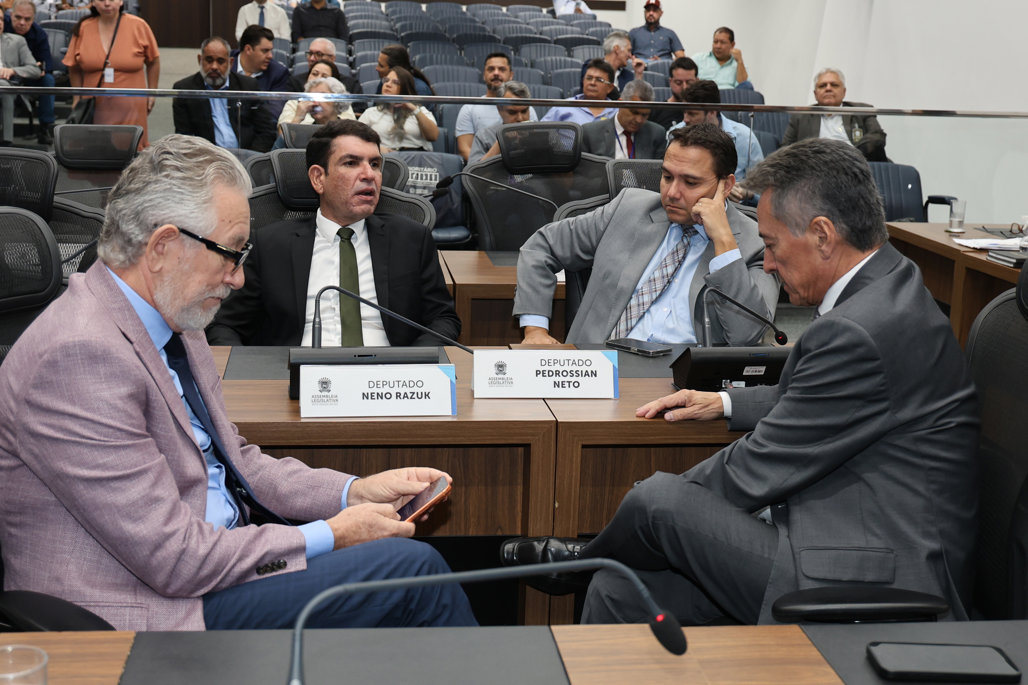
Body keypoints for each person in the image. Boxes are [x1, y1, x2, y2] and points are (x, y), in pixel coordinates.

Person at [0, 133, 477, 631]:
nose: (238, 278)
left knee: (399, 569)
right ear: (163, 247)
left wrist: (352, 493)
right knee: (409, 570)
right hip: (151, 607)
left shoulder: (175, 319)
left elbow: (237, 461)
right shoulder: (80, 356)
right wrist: (333, 534)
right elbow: (176, 560)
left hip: (217, 559)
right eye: (229, 252)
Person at [502, 137, 979, 627]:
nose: (767, 263)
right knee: (619, 589)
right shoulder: (887, 284)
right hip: (840, 526)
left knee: (657, 501)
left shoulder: (860, 328)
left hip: (873, 570)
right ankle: (597, 566)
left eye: (771, 246)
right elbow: (822, 397)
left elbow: (757, 466)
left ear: (822, 234)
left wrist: (659, 506)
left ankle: (587, 558)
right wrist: (727, 403)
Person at [513, 123, 777, 346]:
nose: (672, 193)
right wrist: (535, 329)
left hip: (683, 381)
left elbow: (747, 337)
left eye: (690, 182)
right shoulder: (628, 209)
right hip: (596, 366)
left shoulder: (757, 244)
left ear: (726, 185)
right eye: (667, 177)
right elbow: (542, 245)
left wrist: (724, 241)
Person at [207, 119, 459, 347]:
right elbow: (225, 325)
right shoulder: (269, 245)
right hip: (296, 373)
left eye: (375, 164)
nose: (369, 175)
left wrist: (413, 365)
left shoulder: (411, 239)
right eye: (351, 163)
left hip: (387, 375)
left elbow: (443, 318)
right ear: (318, 178)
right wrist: (251, 375)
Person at [63, 0, 159, 148]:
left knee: (132, 147)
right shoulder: (84, 27)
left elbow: (153, 61)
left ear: (121, 2)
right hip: (94, 105)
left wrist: (152, 93)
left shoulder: (138, 25)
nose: (107, 3)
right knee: (95, 148)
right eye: (101, 0)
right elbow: (73, 67)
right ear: (93, 3)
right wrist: (77, 97)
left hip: (131, 105)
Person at [172, 36, 275, 153]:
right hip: (206, 158)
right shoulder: (185, 90)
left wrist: (251, 158)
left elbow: (266, 131)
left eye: (220, 61)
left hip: (245, 156)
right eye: (209, 60)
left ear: (230, 63)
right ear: (200, 60)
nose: (214, 67)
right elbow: (184, 138)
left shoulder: (248, 86)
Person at [782, 67, 888, 162]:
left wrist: (853, 154)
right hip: (816, 168)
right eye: (822, 86)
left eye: (834, 85)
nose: (828, 88)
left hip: (857, 165)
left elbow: (877, 136)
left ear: (844, 92)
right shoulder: (801, 116)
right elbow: (785, 149)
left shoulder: (861, 110)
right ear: (815, 94)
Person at [669, 79, 763, 182]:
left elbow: (759, 183)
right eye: (684, 112)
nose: (685, 119)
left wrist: (742, 189)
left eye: (692, 114)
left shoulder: (746, 138)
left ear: (712, 112)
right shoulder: (675, 134)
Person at [454, 52, 538, 162]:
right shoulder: (469, 109)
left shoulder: (527, 107)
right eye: (491, 69)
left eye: (502, 69)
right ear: (484, 75)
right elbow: (467, 153)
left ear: (511, 75)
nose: (496, 73)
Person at [4, 0, 55, 144]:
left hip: (27, 76)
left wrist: (39, 68)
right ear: (11, 15)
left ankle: (45, 127)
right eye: (18, 17)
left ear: (33, 19)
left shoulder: (39, 34)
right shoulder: (2, 25)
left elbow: (46, 66)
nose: (22, 23)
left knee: (48, 80)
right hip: (3, 75)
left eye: (27, 19)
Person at [581, 80, 666, 160]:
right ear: (620, 104)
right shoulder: (590, 133)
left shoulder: (656, 134)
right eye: (634, 112)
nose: (639, 120)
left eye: (645, 115)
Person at [358, 66, 437, 151]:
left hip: (415, 155)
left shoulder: (420, 111)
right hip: (384, 156)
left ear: (405, 88)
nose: (388, 84)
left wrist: (414, 109)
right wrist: (376, 149)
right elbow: (355, 141)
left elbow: (432, 136)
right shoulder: (370, 113)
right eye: (386, 80)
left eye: (395, 82)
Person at [233, 24, 293, 120]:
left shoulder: (278, 73)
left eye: (270, 50)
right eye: (265, 51)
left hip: (260, 127)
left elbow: (274, 113)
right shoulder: (226, 64)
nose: (270, 56)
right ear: (248, 49)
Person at [467, 80, 533, 164]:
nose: (520, 118)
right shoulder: (484, 136)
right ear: (499, 109)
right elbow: (474, 171)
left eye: (524, 111)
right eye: (512, 112)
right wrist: (500, 143)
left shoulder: (540, 133)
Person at [278, 63, 354, 135]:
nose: (315, 103)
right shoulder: (302, 132)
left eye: (322, 96)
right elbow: (283, 141)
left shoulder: (350, 132)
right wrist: (298, 118)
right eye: (311, 97)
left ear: (337, 102)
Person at [0, 7, 39, 145]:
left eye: (1, 19)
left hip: (8, 85)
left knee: (3, 86)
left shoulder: (17, 41)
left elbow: (35, 70)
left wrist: (13, 71)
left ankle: (6, 140)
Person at [540, 58, 617, 125]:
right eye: (589, 78)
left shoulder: (617, 112)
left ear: (609, 87)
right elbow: (541, 131)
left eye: (599, 80)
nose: (592, 83)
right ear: (583, 81)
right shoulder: (563, 107)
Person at [289, 36, 361, 99]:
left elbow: (359, 110)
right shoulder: (295, 83)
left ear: (332, 59)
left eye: (319, 54)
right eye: (310, 53)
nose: (312, 58)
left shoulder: (351, 85)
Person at [579, 30, 645, 95]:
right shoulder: (592, 66)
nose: (630, 55)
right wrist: (618, 98)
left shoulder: (628, 75)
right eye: (628, 50)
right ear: (617, 49)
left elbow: (636, 99)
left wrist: (638, 74)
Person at [648, 56, 698, 131]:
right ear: (670, 82)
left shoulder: (704, 110)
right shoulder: (657, 112)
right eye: (678, 83)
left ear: (697, 81)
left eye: (689, 82)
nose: (684, 87)